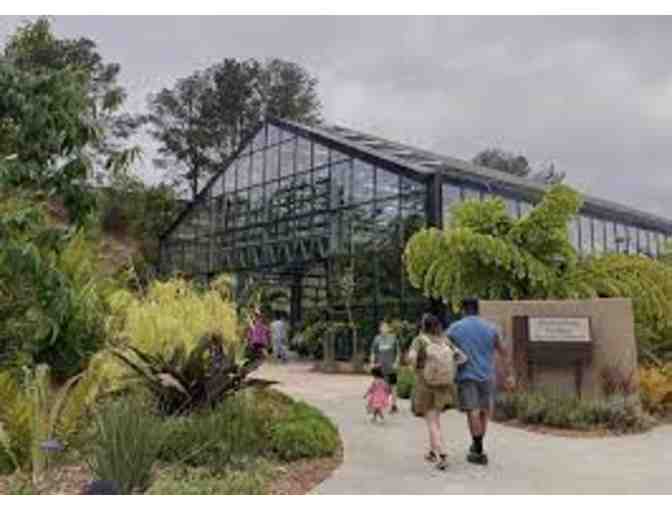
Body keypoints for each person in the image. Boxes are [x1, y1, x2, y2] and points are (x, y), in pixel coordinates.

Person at [446, 298, 514, 466]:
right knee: (484, 411)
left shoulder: (455, 328)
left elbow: (444, 346)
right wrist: (509, 374)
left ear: (463, 310)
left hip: (466, 375)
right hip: (487, 376)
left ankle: (477, 448)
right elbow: (503, 351)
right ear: (478, 310)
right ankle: (478, 445)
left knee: (473, 411)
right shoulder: (491, 328)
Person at [407, 313, 466, 471]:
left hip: (425, 384)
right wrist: (448, 368)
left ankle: (442, 453)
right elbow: (462, 358)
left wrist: (414, 367)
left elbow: (411, 358)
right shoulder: (445, 340)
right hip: (444, 385)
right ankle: (432, 451)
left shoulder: (419, 340)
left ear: (423, 326)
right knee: (435, 419)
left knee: (432, 421)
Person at [369, 321, 401, 413]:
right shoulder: (377, 339)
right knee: (380, 386)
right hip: (380, 367)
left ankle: (394, 406)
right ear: (379, 329)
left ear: (389, 329)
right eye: (382, 327)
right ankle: (379, 405)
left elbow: (398, 353)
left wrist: (396, 363)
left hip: (391, 367)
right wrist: (372, 362)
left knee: (393, 386)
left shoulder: (393, 338)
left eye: (385, 327)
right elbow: (373, 352)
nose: (384, 329)